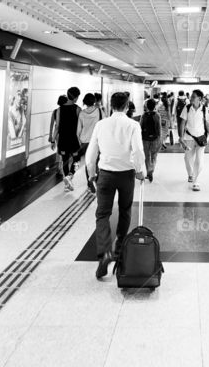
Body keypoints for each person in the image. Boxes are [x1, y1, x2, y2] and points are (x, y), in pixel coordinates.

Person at [85, 92, 146, 279]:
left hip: (105, 174)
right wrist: (140, 170)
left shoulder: (101, 124)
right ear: (127, 106)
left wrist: (92, 174)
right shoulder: (133, 125)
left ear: (111, 106)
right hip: (126, 174)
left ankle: (104, 253)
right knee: (125, 209)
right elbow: (137, 150)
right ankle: (119, 250)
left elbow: (91, 154)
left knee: (103, 214)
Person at [182, 89, 209, 191]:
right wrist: (181, 137)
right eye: (191, 96)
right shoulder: (187, 108)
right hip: (189, 137)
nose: (191, 98)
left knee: (199, 160)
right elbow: (182, 122)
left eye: (193, 96)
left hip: (200, 138)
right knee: (187, 158)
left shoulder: (205, 109)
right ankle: (190, 174)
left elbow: (207, 123)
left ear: (199, 98)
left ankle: (196, 181)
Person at [55, 87, 82, 191]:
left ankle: (66, 184)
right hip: (74, 140)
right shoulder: (77, 109)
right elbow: (80, 126)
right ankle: (70, 176)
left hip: (62, 140)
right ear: (75, 97)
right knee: (77, 160)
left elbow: (57, 126)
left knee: (65, 160)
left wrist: (53, 140)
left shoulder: (59, 109)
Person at [78, 93, 104, 192]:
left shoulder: (82, 113)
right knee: (97, 161)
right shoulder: (100, 111)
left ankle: (90, 182)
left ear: (84, 102)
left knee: (88, 162)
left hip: (85, 142)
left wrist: (80, 141)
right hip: (97, 140)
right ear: (94, 101)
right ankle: (96, 180)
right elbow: (105, 125)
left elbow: (78, 130)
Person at [140, 98, 162, 182]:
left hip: (145, 138)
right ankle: (151, 170)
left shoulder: (144, 115)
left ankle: (148, 170)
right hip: (155, 138)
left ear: (146, 106)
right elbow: (159, 128)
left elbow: (140, 126)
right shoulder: (157, 115)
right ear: (155, 106)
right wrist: (160, 139)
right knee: (154, 155)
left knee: (146, 156)